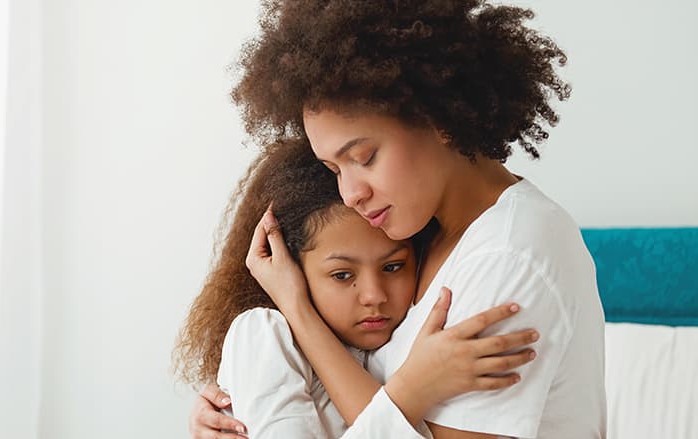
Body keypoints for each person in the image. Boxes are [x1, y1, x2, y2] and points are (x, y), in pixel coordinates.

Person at [191, 0, 606, 438]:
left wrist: (302, 316)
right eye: (335, 170)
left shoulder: (509, 253)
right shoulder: (421, 238)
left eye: (364, 157)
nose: (351, 194)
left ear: (439, 118)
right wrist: (246, 406)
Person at [176, 139, 538, 438]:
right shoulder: (263, 334)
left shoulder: (405, 340)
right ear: (292, 271)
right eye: (342, 275)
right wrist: (412, 391)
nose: (374, 295)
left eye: (393, 267)